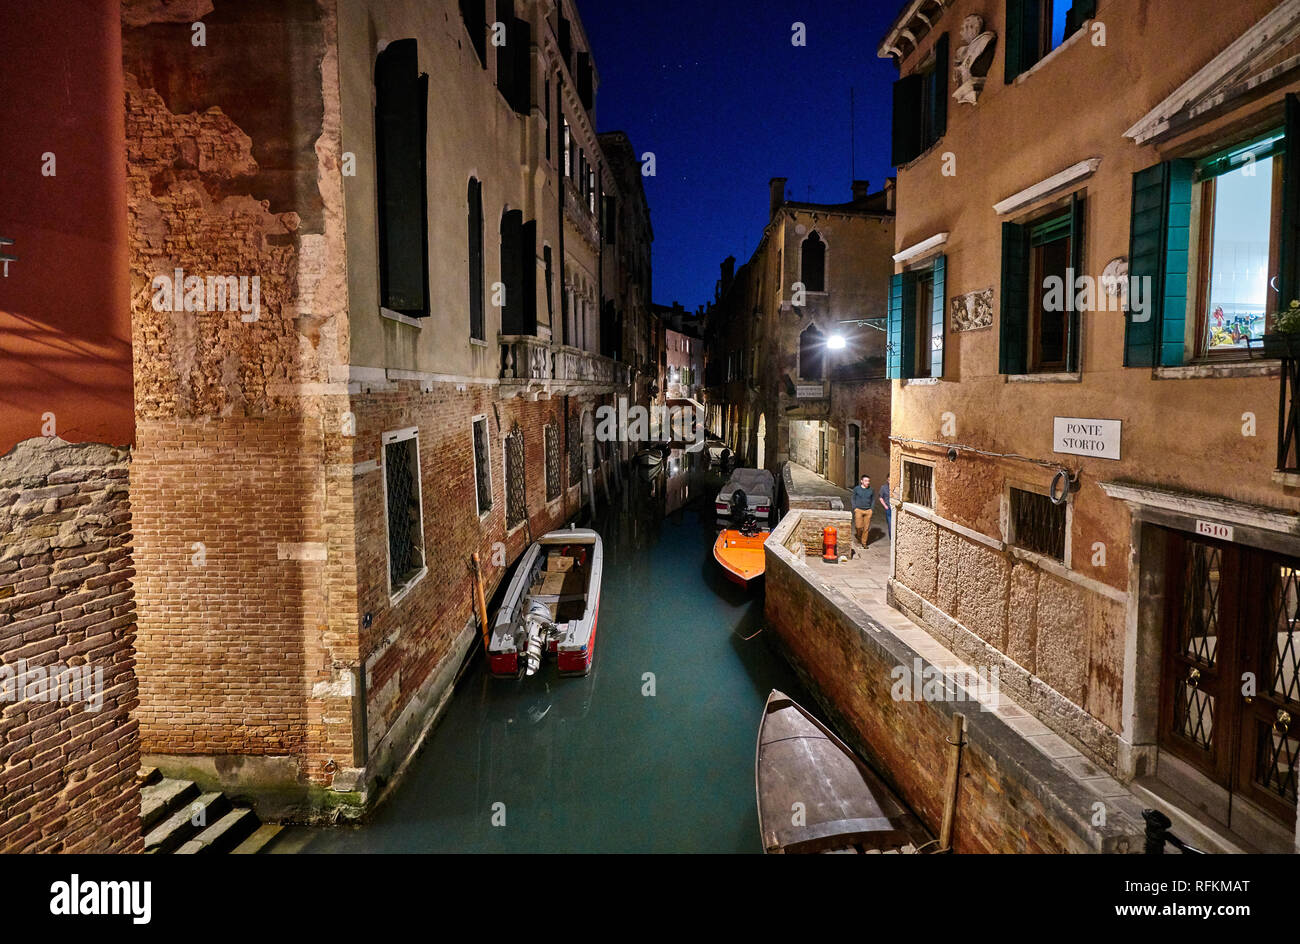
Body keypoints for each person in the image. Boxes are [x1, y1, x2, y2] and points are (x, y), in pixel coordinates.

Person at [851, 474, 875, 548]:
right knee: (858, 526)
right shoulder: (857, 489)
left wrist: (871, 509)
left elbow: (873, 499)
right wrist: (854, 508)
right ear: (861, 481)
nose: (867, 482)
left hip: (868, 510)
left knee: (866, 528)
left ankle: (864, 542)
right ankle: (858, 535)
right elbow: (853, 498)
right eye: (866, 481)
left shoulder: (871, 490)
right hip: (859, 510)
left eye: (868, 481)